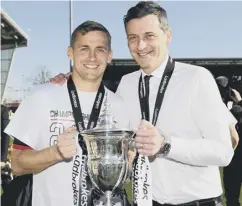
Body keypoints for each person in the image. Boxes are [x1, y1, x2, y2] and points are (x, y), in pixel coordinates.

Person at [50, 1, 237, 206]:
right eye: (133, 38)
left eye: (149, 36)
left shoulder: (197, 78)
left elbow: (224, 151)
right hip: (148, 201)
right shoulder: (127, 84)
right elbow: (122, 142)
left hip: (199, 201)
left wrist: (166, 145)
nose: (140, 45)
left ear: (168, 36)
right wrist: (77, 78)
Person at [4, 21, 131, 206]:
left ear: (109, 56)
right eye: (84, 49)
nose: (92, 57)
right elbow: (16, 164)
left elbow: (125, 164)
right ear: (70, 52)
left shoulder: (119, 104)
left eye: (100, 49)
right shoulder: (40, 96)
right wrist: (55, 152)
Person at [216, 76, 242, 206]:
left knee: (232, 198)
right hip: (233, 158)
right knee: (232, 198)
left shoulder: (221, 111)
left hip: (232, 158)